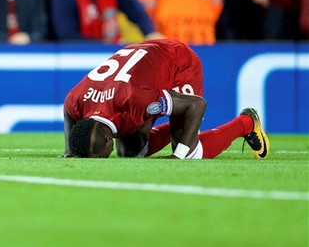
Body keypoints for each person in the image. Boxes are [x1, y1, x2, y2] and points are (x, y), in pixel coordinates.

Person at [62, 38, 270, 160]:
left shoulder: (138, 101)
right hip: (144, 64)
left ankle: (246, 122)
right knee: (131, 152)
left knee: (190, 150)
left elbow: (196, 105)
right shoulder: (77, 101)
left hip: (177, 61)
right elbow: (67, 109)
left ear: (108, 139)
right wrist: (69, 150)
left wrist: (178, 156)